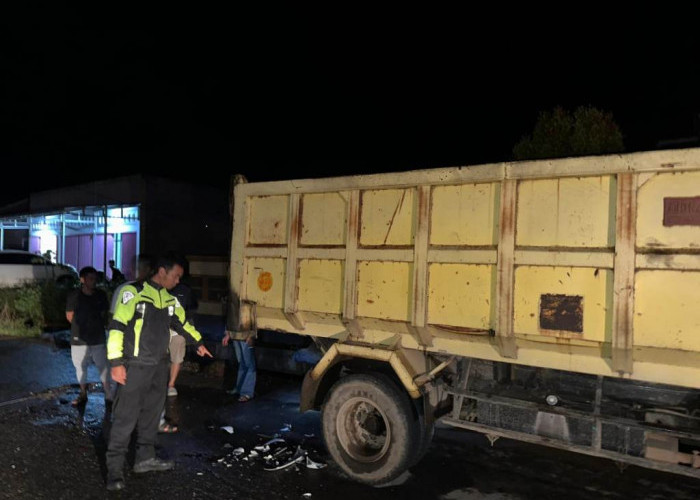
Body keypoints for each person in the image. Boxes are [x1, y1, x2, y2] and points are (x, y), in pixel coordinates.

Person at [105, 253, 213, 492]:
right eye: (175, 276)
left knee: (152, 416)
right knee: (125, 418)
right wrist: (115, 362)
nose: (177, 282)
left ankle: (144, 459)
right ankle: (114, 469)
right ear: (162, 272)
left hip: (159, 366)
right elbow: (117, 326)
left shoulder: (169, 299)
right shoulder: (132, 293)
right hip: (135, 365)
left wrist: (199, 343)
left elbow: (182, 323)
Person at [65, 266, 112, 407]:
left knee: (103, 367)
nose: (93, 282)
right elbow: (69, 316)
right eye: (90, 278)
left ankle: (109, 395)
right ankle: (82, 394)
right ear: (82, 279)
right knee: (80, 367)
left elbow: (105, 314)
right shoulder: (74, 295)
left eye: (95, 279)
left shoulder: (100, 295)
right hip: (79, 339)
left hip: (98, 338)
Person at [222, 327, 257, 402]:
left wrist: (251, 335)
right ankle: (240, 388)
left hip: (245, 334)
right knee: (243, 363)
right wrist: (228, 334)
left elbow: (253, 318)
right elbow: (232, 318)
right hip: (236, 335)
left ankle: (247, 392)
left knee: (249, 364)